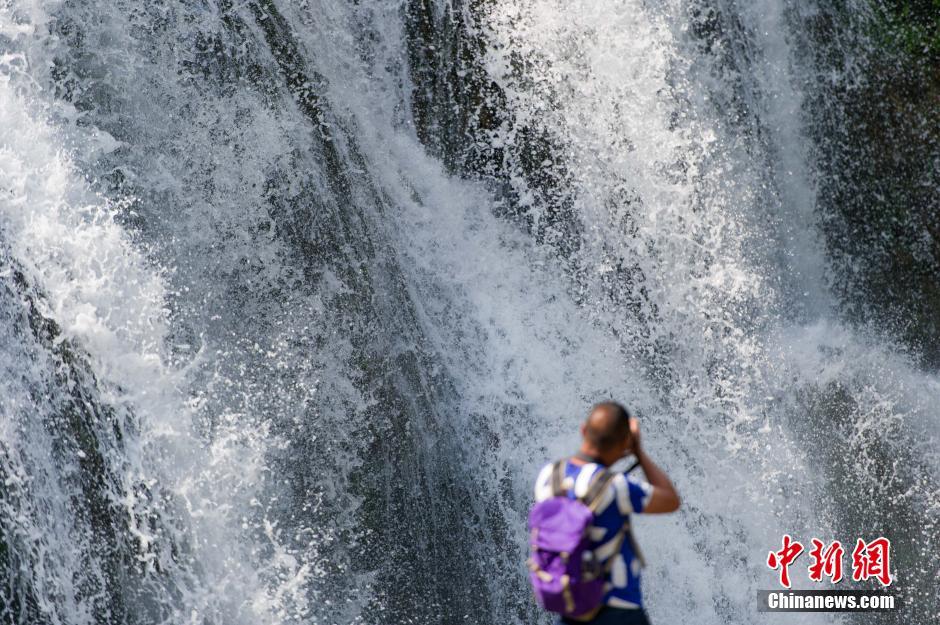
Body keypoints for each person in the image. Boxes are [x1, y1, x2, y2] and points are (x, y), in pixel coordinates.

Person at [533, 401, 680, 625]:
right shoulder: (615, 487)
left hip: (572, 607)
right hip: (618, 610)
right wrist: (639, 452)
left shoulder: (548, 477)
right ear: (624, 444)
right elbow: (670, 500)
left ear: (583, 431)